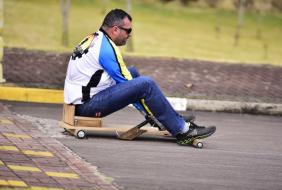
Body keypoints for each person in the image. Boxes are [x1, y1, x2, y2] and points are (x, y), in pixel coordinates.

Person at [64, 8, 216, 146]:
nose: (130, 35)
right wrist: (156, 112)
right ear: (115, 29)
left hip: (79, 100)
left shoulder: (95, 38)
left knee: (133, 72)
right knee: (146, 84)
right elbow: (130, 85)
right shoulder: (106, 50)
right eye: (128, 31)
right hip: (87, 106)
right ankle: (183, 131)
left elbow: (128, 82)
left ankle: (166, 120)